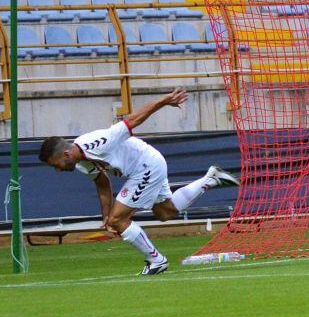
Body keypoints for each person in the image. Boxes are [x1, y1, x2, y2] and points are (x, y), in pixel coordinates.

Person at [38, 88, 239, 275]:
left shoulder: (96, 142)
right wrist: (105, 217)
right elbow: (102, 183)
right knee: (164, 212)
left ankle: (157, 261)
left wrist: (164, 101)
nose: (57, 169)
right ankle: (210, 179)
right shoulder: (82, 163)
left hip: (146, 165)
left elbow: (131, 121)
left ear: (65, 154)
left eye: (55, 164)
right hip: (148, 164)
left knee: (119, 220)